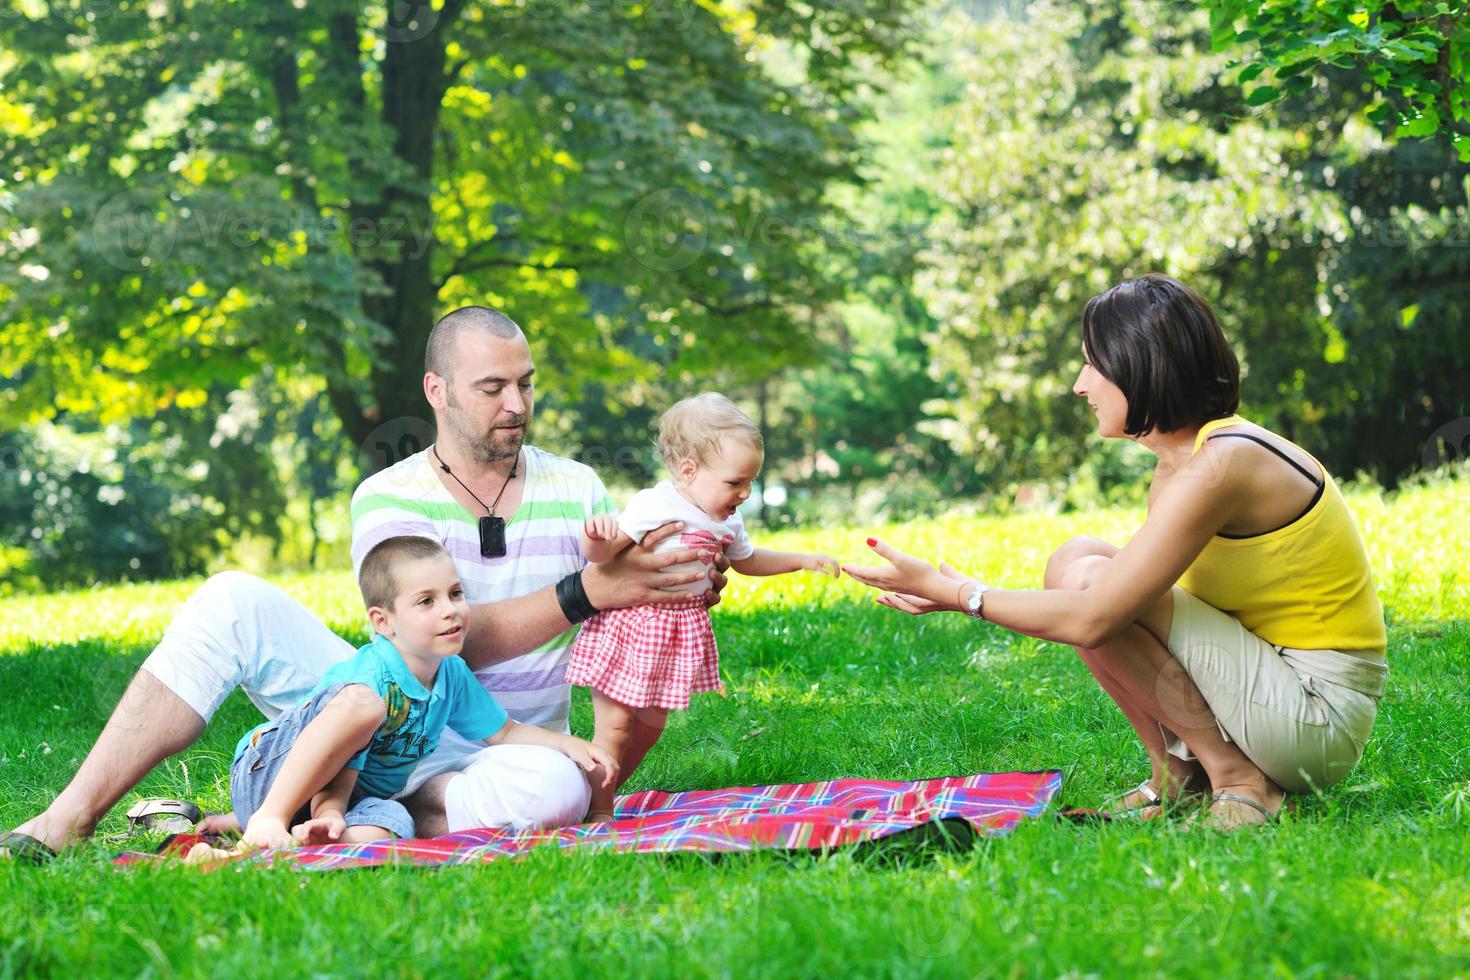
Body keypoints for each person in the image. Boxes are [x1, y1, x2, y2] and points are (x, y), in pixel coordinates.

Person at [2, 305, 727, 861]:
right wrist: (587, 593)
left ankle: (358, 808)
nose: (516, 403)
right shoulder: (389, 496)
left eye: (525, 383)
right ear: (437, 390)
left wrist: (682, 577)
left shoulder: (577, 487)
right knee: (230, 599)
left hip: (509, 750)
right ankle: (67, 819)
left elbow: (630, 601)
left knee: (558, 788)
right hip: (388, 714)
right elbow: (430, 643)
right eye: (492, 387)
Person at [843, 274, 1388, 831]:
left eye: (1092, 365)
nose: (1081, 385)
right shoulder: (1181, 465)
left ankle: (1243, 782)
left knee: (1090, 587)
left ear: (1140, 364)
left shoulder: (1226, 462)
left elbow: (1095, 616)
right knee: (1074, 559)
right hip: (1269, 690)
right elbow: (1116, 613)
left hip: (1317, 717)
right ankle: (1176, 773)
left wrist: (963, 596)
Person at [222, 535, 616, 852]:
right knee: (362, 706)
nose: (450, 610)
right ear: (384, 622)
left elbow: (506, 733)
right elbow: (333, 762)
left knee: (392, 830)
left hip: (341, 795)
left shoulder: (450, 674)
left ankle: (289, 839)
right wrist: (293, 807)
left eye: (456, 593)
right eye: (427, 601)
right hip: (271, 768)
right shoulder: (372, 676)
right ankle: (268, 817)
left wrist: (569, 745)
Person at [567, 393, 839, 822]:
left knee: (650, 730)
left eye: (751, 481)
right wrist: (595, 536)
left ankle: (597, 794)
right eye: (735, 482)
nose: (746, 493)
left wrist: (802, 560)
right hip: (631, 631)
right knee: (616, 728)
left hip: (674, 638)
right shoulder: (654, 504)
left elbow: (748, 561)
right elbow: (601, 556)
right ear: (689, 471)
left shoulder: (727, 520)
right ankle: (599, 811)